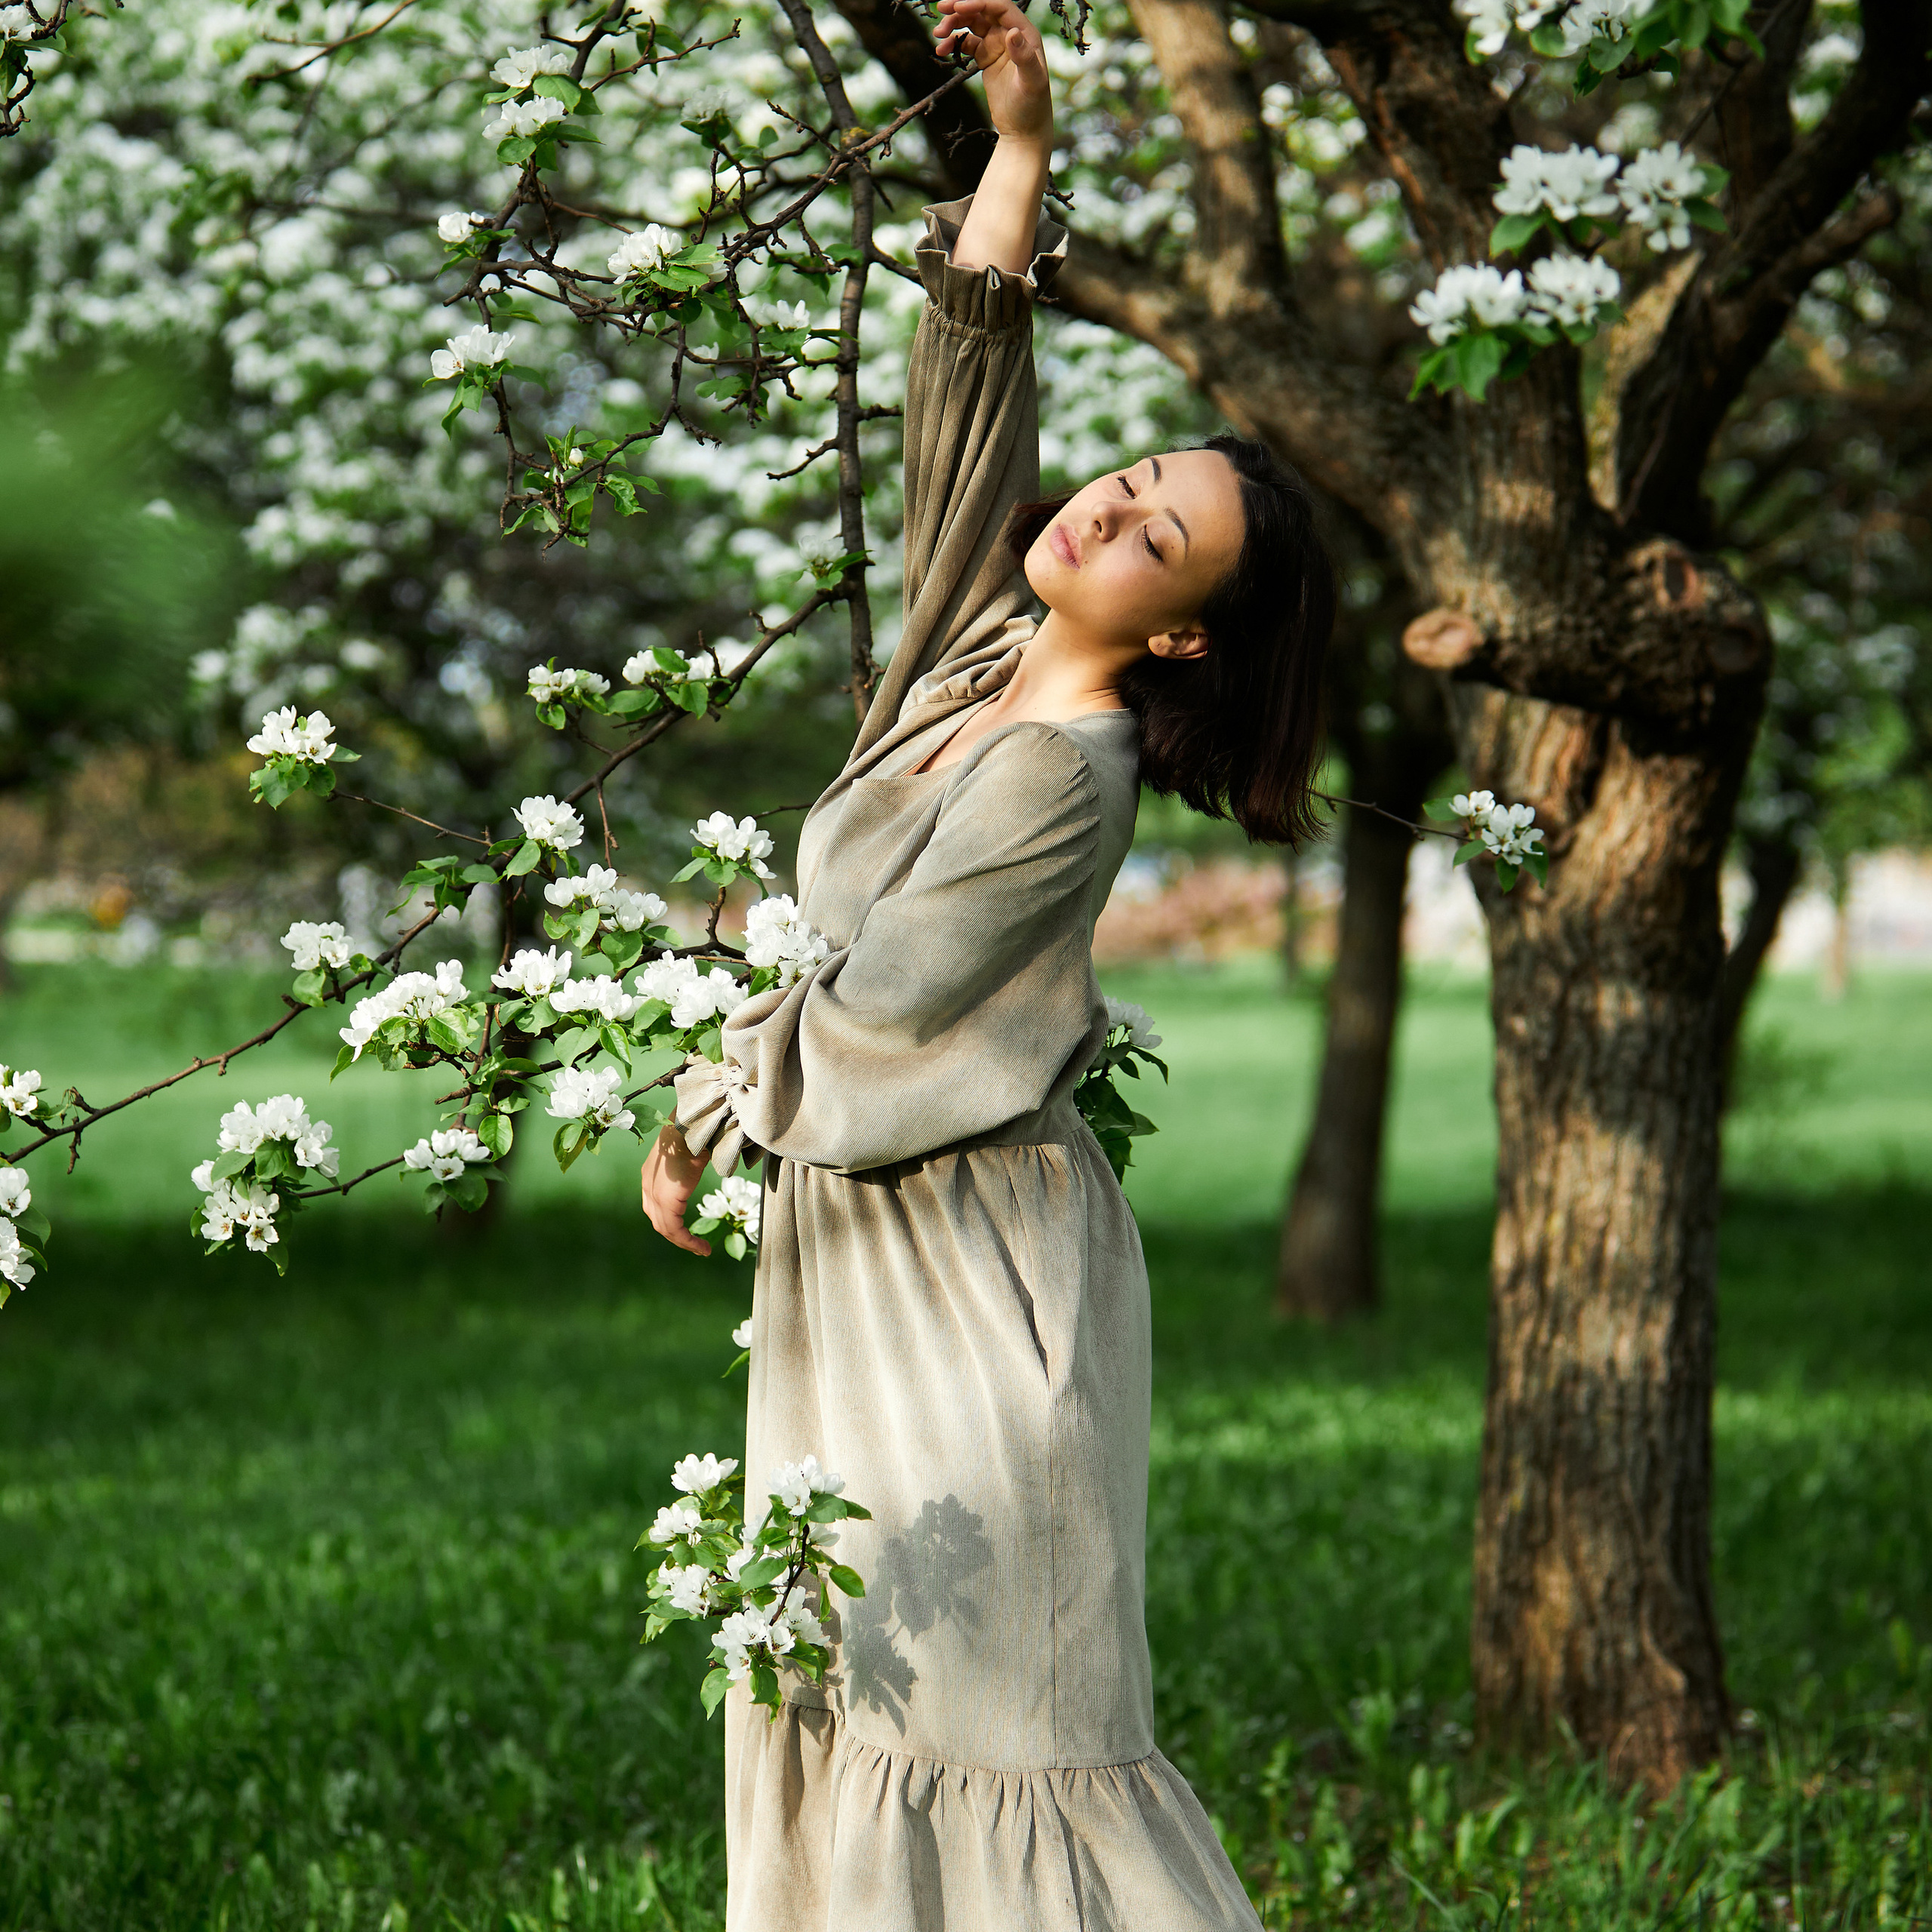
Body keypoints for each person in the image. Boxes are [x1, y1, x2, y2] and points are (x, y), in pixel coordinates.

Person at [639, 0, 1334, 1921]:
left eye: (1158, 535)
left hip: (967, 1284)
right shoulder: (963, 660)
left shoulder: (1066, 771)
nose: (1108, 504)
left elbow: (877, 1006)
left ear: (1184, 634)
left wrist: (700, 1098)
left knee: (1001, 1720)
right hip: (852, 1255)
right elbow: (968, 429)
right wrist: (1013, 150)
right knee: (850, 1675)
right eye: (1132, 478)